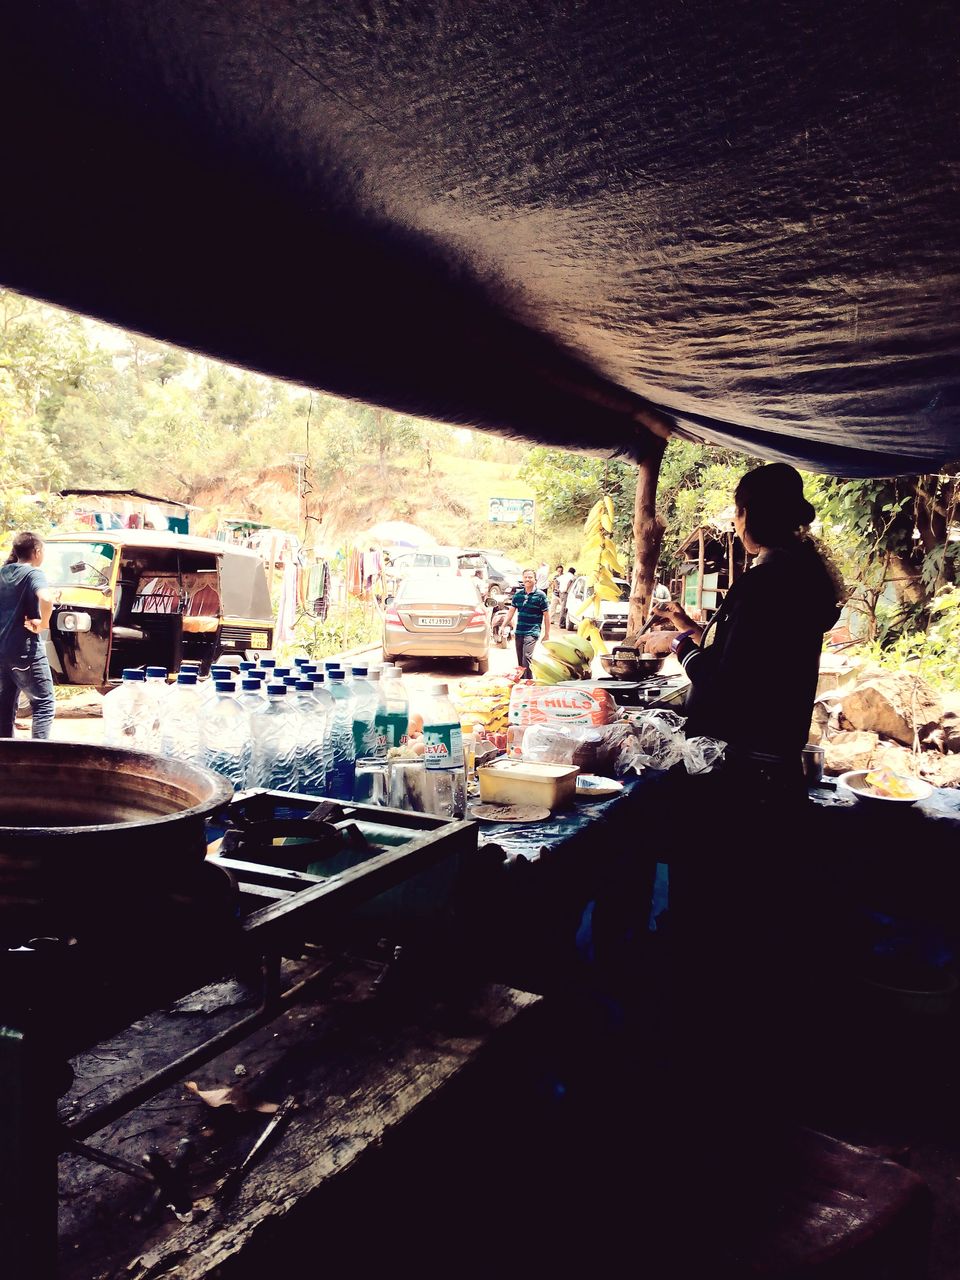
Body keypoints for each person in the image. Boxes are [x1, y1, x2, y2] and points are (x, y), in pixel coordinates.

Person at [654, 461, 842, 778]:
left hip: (746, 767)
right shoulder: (798, 576)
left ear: (750, 515)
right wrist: (686, 626)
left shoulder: (763, 583)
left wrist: (677, 644)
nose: (735, 519)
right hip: (775, 756)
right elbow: (750, 653)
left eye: (737, 510)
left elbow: (723, 685)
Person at [0, 531, 59, 740]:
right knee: (44, 703)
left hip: (1, 653)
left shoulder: (3, 572)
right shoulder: (33, 573)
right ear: (37, 551)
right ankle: (38, 759)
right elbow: (47, 598)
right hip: (25, 651)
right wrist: (42, 623)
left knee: (4, 709)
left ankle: (6, 762)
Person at [506, 568, 550, 676]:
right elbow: (511, 612)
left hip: (532, 631)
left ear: (535, 579)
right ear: (522, 579)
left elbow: (547, 616)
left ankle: (528, 682)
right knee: (520, 662)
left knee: (527, 657)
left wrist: (547, 634)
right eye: (525, 577)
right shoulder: (518, 595)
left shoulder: (541, 596)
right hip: (519, 631)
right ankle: (521, 684)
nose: (527, 579)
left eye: (530, 577)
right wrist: (504, 625)